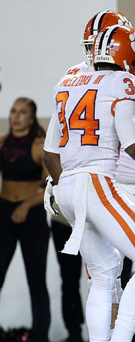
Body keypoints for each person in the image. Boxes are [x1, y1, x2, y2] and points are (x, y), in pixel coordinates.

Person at [42, 25, 135, 342]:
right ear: (127, 57)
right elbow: (134, 145)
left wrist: (58, 183)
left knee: (104, 275)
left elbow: (49, 153)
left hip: (66, 187)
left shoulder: (67, 80)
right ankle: (120, 338)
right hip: (97, 185)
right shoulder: (121, 81)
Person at [0, 97, 50, 342]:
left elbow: (52, 188)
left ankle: (40, 335)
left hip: (32, 215)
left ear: (31, 117)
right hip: (5, 212)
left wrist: (26, 206)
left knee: (36, 280)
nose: (15, 116)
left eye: (22, 112)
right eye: (12, 111)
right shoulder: (2, 142)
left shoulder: (39, 145)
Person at [50, 213, 85, 342]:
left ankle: (111, 333)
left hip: (98, 220)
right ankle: (74, 331)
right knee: (70, 280)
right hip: (63, 221)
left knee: (105, 280)